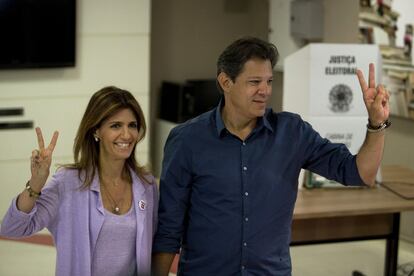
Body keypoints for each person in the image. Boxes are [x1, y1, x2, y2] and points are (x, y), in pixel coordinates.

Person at [151, 37, 389, 275]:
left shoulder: (292, 133)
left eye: (269, 81)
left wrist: (376, 124)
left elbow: (360, 173)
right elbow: (168, 228)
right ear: (225, 81)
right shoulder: (187, 140)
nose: (264, 91)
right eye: (254, 82)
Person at [0, 86, 158, 276]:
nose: (126, 135)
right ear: (96, 131)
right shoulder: (68, 183)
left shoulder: (147, 185)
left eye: (132, 125)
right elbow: (13, 228)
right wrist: (36, 184)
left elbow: (155, 248)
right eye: (116, 125)